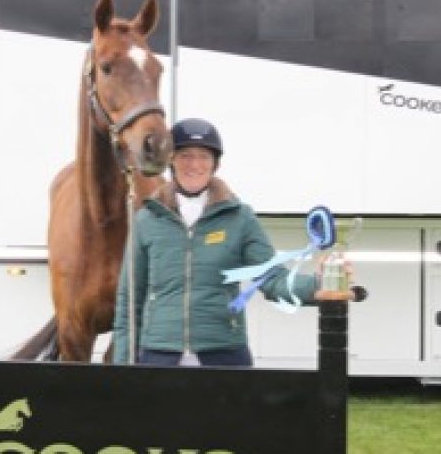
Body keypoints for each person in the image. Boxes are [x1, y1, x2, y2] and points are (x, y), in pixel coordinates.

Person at [111, 118, 325, 367]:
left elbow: (272, 278)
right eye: (185, 155)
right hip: (159, 354)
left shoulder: (240, 217)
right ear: (171, 159)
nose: (194, 164)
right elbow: (129, 300)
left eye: (203, 156)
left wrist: (317, 286)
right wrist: (122, 367)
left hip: (224, 352)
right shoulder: (146, 220)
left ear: (215, 164)